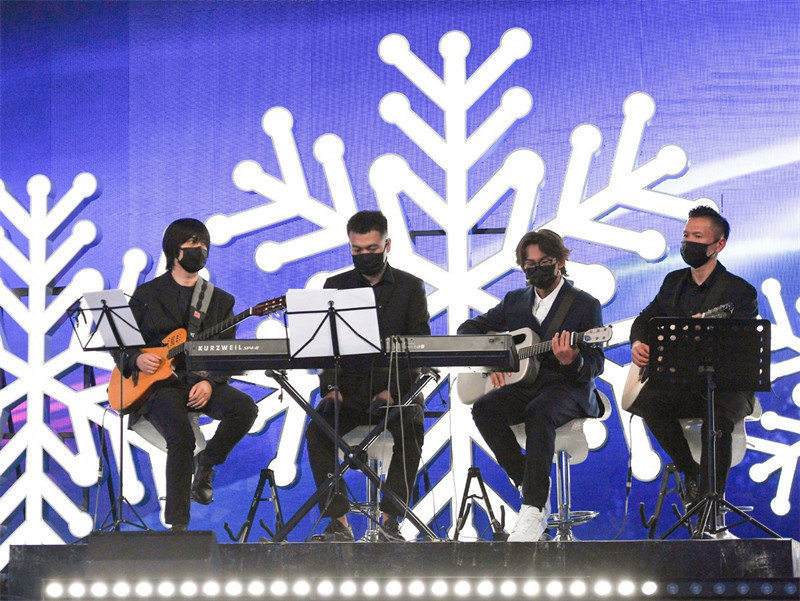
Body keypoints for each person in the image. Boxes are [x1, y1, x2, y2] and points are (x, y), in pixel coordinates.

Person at [458, 229, 604, 542]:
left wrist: (573, 360)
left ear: (561, 260)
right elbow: (468, 329)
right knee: (484, 409)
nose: (536, 268)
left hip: (567, 388)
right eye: (529, 263)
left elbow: (596, 364)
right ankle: (529, 482)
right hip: (525, 386)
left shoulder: (583, 304)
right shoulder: (514, 302)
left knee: (540, 411)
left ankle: (533, 509)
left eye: (545, 261)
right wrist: (496, 360)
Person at [121, 218, 258, 531]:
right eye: (191, 245)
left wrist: (210, 382)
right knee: (181, 437)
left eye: (203, 245)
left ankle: (207, 464)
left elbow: (225, 355)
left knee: (245, 408)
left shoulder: (221, 301)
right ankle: (178, 525)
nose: (199, 251)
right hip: (158, 388)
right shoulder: (146, 295)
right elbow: (122, 347)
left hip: (199, 381)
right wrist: (136, 359)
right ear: (174, 251)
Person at [304, 210, 430, 542]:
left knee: (411, 423)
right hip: (348, 392)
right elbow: (324, 347)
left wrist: (396, 391)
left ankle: (391, 519)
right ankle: (338, 522)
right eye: (357, 250)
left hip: (396, 392)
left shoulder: (410, 287)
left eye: (371, 249)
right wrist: (331, 387)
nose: (364, 256)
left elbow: (419, 349)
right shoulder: (335, 286)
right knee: (317, 431)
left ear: (387, 245)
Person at [629, 205, 758, 508]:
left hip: (727, 385)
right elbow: (645, 319)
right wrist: (638, 342)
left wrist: (706, 334)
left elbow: (744, 347)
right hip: (684, 381)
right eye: (686, 235)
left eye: (697, 236)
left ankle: (713, 502)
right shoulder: (674, 283)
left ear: (718, 245)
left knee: (719, 418)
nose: (688, 243)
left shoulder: (740, 291)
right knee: (646, 401)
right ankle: (692, 473)